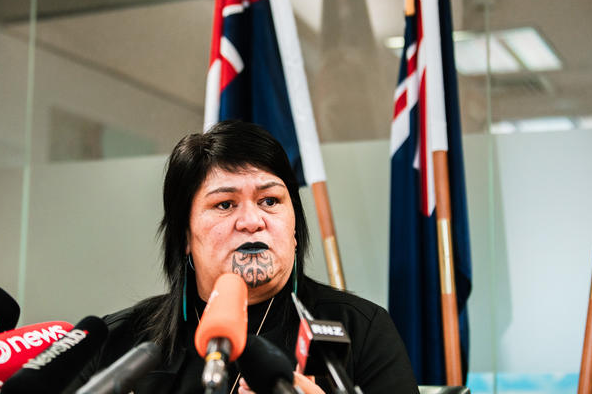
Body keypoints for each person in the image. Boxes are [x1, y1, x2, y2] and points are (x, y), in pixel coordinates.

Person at [70, 120, 419, 394]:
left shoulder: (360, 329)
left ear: (295, 228)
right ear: (184, 236)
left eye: (270, 201)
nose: (253, 221)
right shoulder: (118, 343)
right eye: (225, 204)